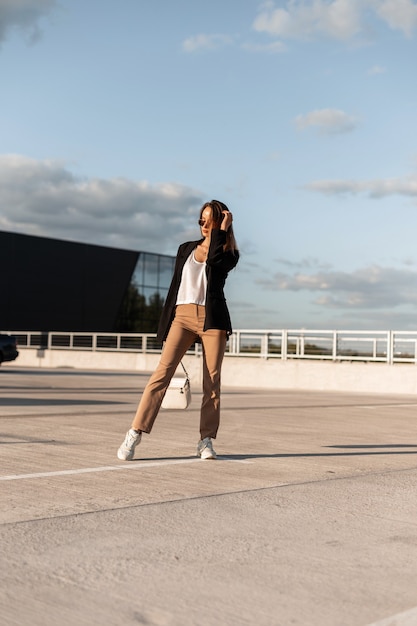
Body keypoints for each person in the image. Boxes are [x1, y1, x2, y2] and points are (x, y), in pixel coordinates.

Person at [117, 200, 239, 462]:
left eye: (210, 220)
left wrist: (222, 231)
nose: (204, 224)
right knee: (161, 374)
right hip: (182, 317)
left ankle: (206, 441)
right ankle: (135, 432)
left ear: (221, 223)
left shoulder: (229, 253)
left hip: (212, 319)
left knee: (212, 382)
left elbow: (216, 263)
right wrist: (166, 321)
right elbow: (175, 287)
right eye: (201, 220)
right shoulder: (185, 249)